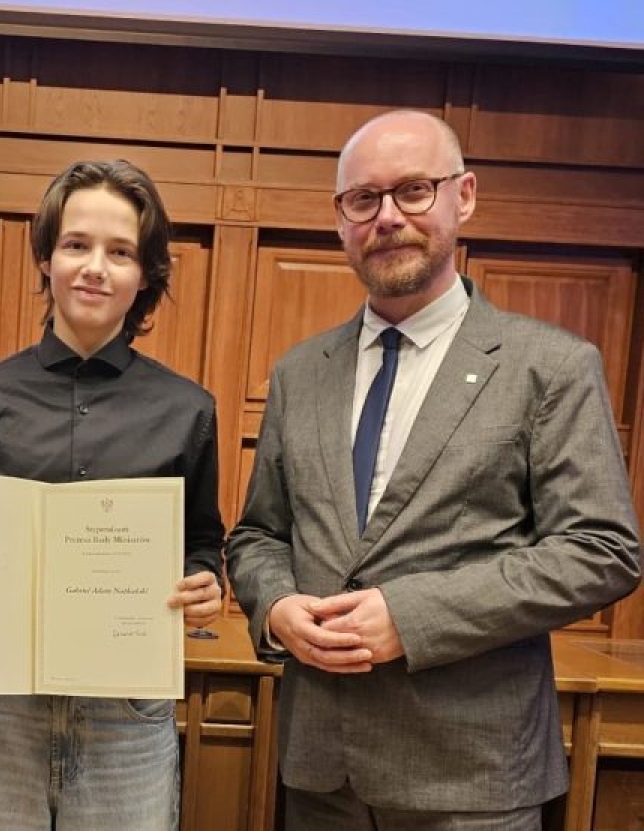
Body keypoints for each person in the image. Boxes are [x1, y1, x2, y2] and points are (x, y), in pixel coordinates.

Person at [226, 109, 640, 830]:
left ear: (463, 196)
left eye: (413, 190)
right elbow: (259, 535)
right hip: (322, 771)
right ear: (341, 218)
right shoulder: (299, 372)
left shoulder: (550, 366)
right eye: (364, 199)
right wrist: (277, 607)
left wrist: (411, 618)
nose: (387, 217)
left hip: (472, 779)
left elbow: (601, 551)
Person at [0, 159, 224, 830]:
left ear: (145, 274)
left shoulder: (187, 409)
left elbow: (201, 541)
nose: (95, 268)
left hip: (128, 715)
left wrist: (204, 582)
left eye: (120, 252)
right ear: (46, 258)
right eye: (76, 245)